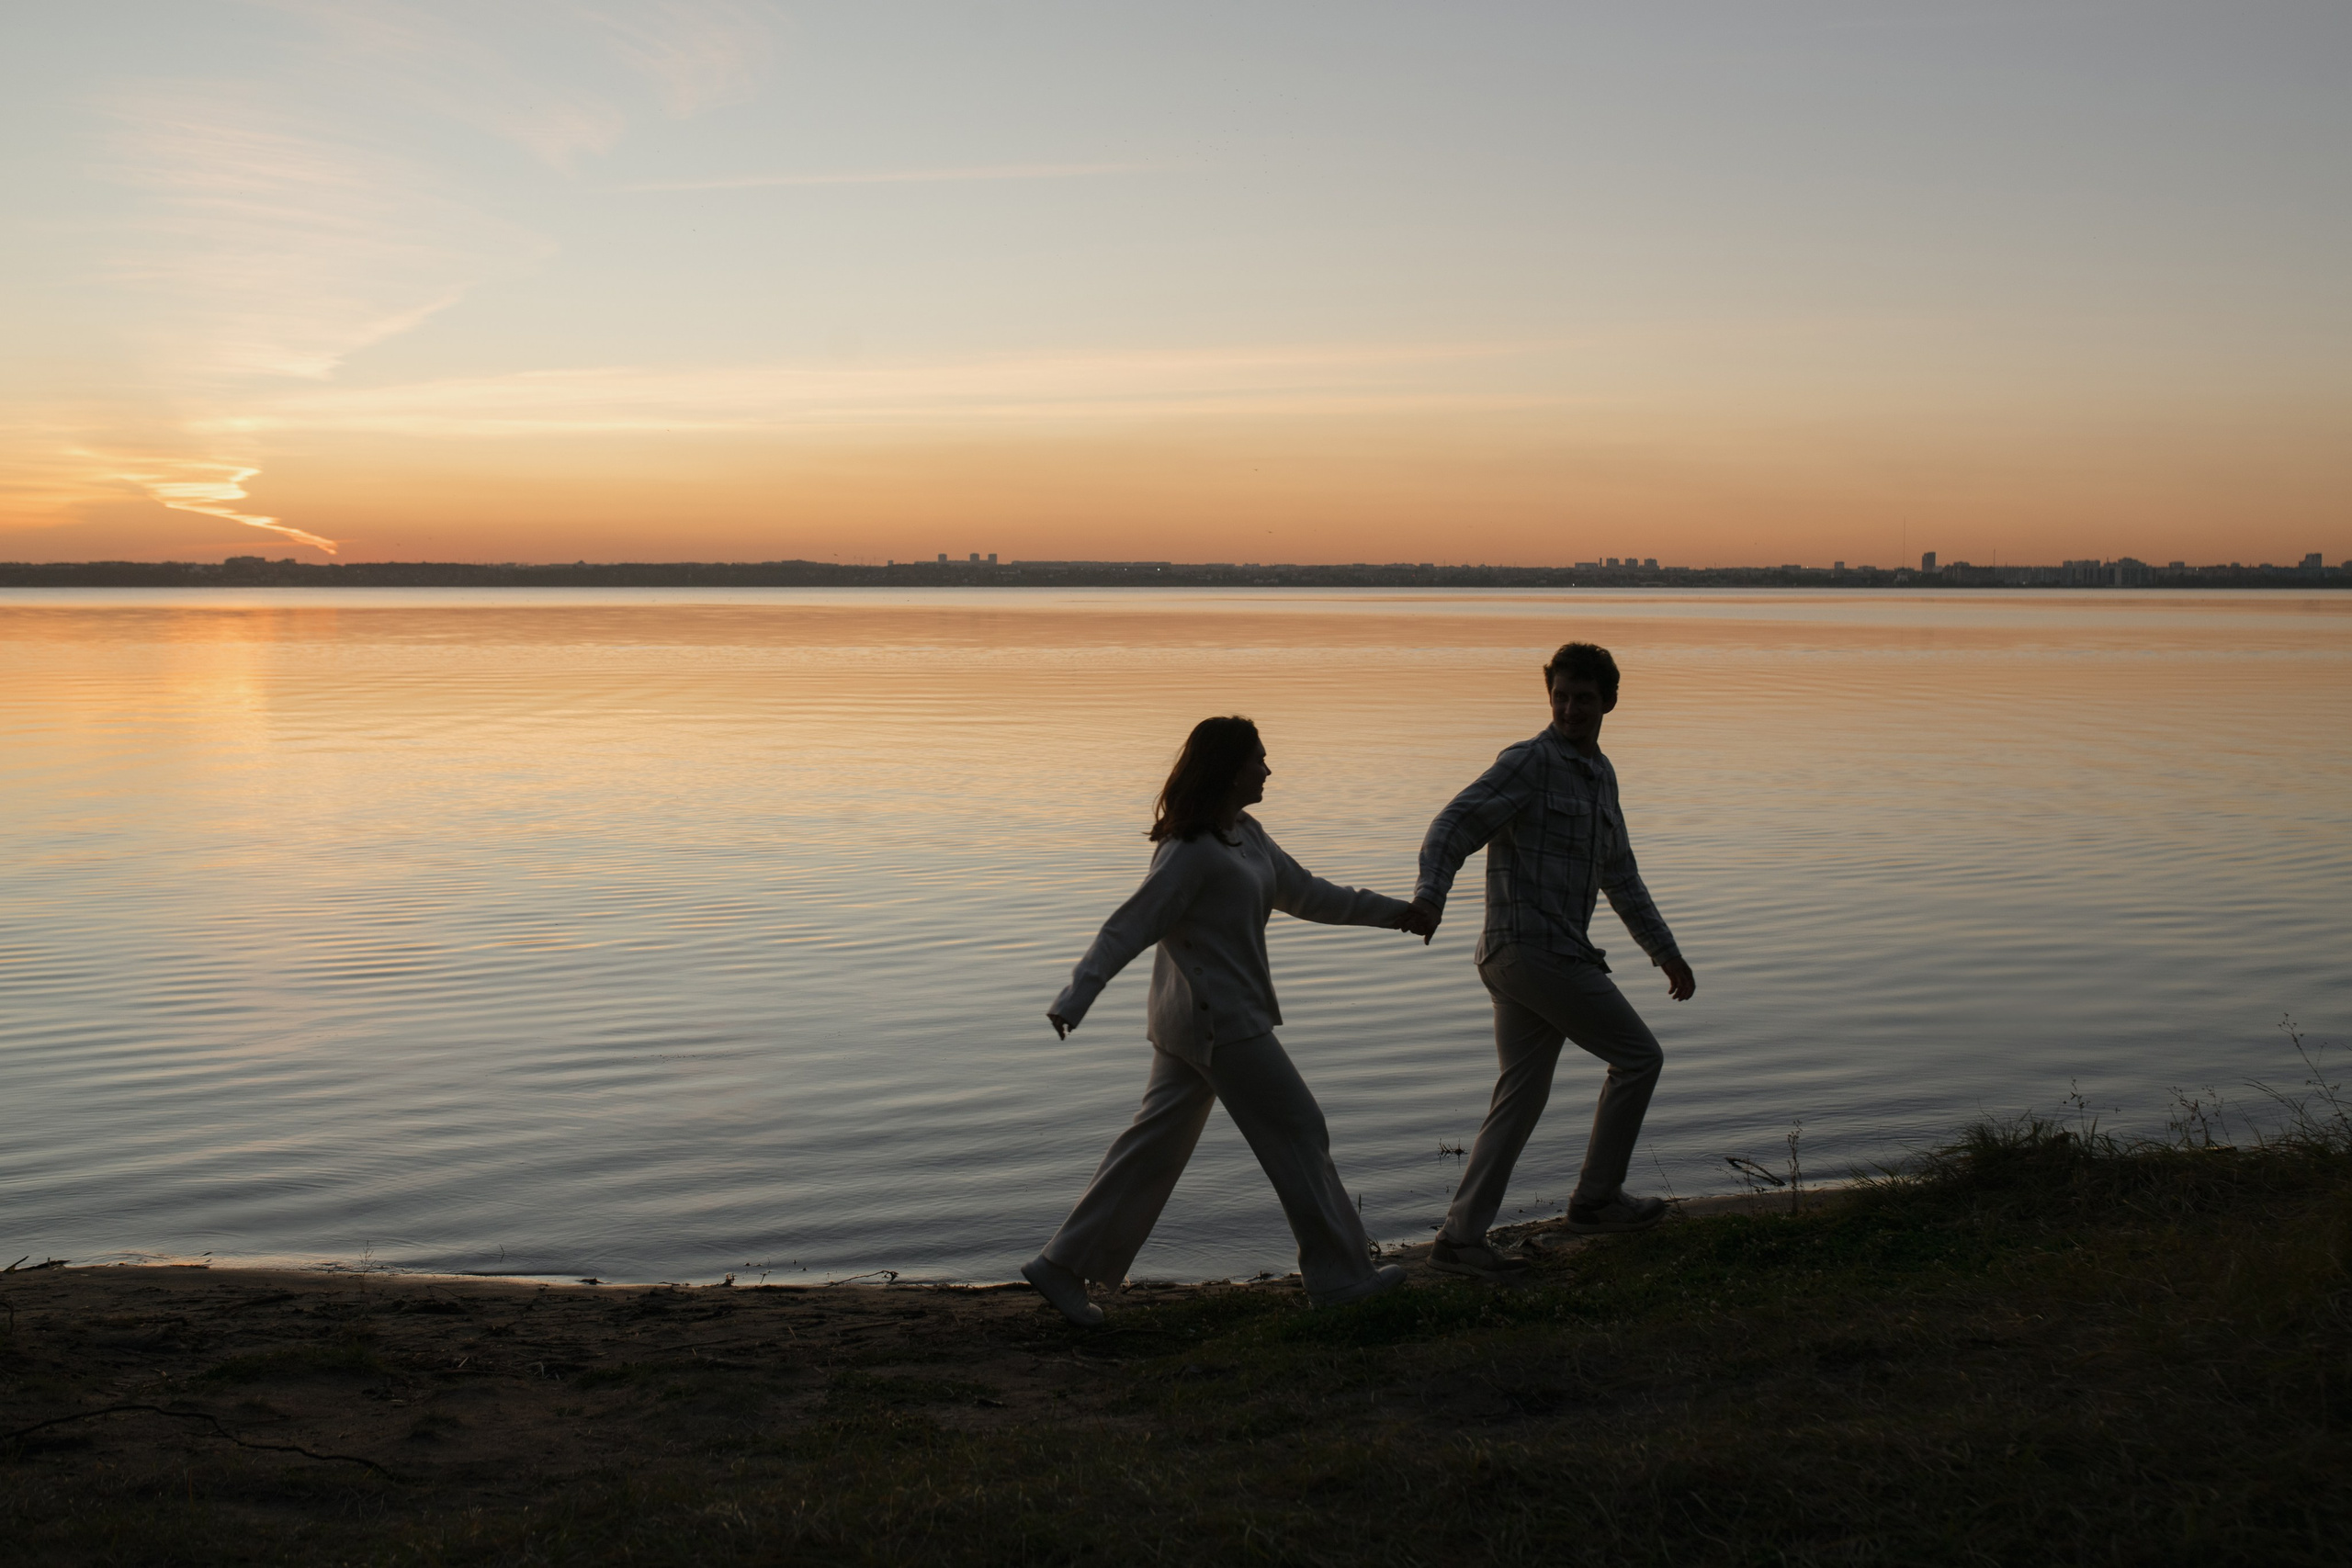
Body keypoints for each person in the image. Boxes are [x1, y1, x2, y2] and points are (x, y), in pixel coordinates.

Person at [1021, 716, 1427, 1325]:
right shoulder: (1189, 852)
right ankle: (1340, 1277)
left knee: (1151, 1149)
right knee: (1300, 1131)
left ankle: (1060, 1266)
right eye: (1258, 758)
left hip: (1195, 1025)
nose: (1268, 768)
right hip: (1219, 1026)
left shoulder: (1246, 835)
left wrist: (1398, 913)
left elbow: (1311, 893)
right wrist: (1076, 996)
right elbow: (1129, 925)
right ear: (1228, 766)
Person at [1407, 641, 1696, 1282]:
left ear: (1608, 702)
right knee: (1639, 1057)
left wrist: (1665, 951)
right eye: (1561, 695)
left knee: (1520, 1095)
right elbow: (1451, 825)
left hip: (1541, 956)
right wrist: (1431, 897)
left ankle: (1459, 1239)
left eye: (1583, 698)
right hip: (1529, 952)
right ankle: (1596, 1200)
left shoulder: (1602, 775)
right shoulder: (1529, 762)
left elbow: (1621, 875)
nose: (1570, 708)